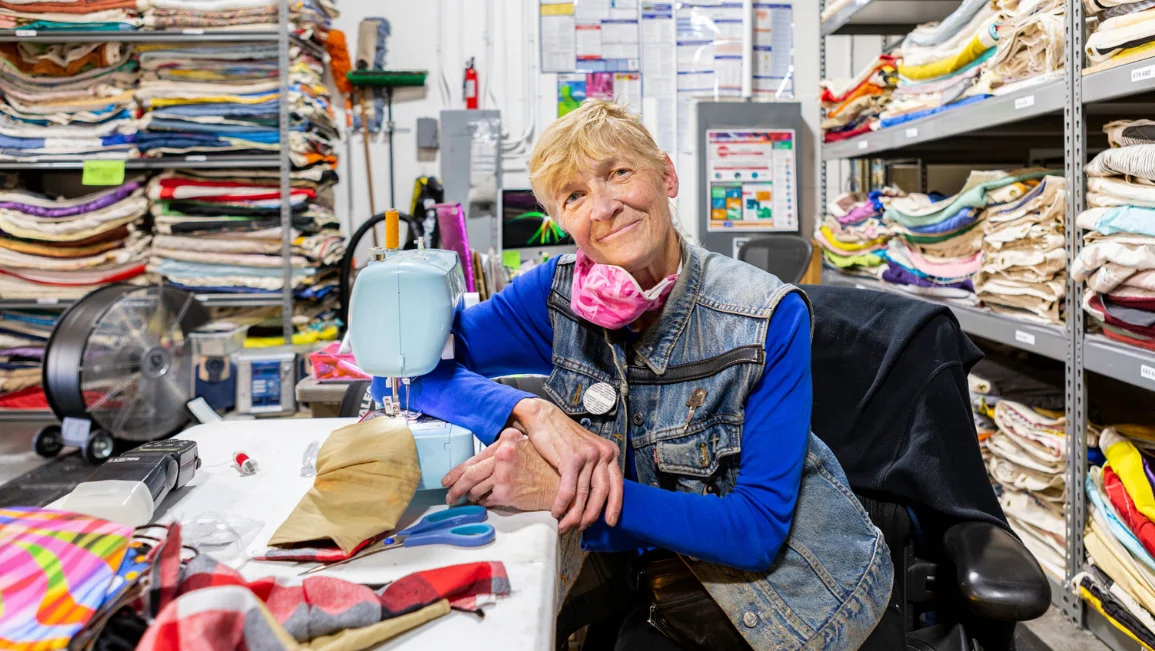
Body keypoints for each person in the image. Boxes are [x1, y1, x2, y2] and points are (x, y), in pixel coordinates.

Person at [385, 100, 893, 650]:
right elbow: (398, 372)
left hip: (773, 600)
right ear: (561, 222)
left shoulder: (766, 316)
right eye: (574, 196)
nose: (603, 207)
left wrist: (563, 491)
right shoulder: (552, 298)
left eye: (619, 173)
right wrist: (528, 410)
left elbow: (755, 533)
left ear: (667, 176)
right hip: (633, 571)